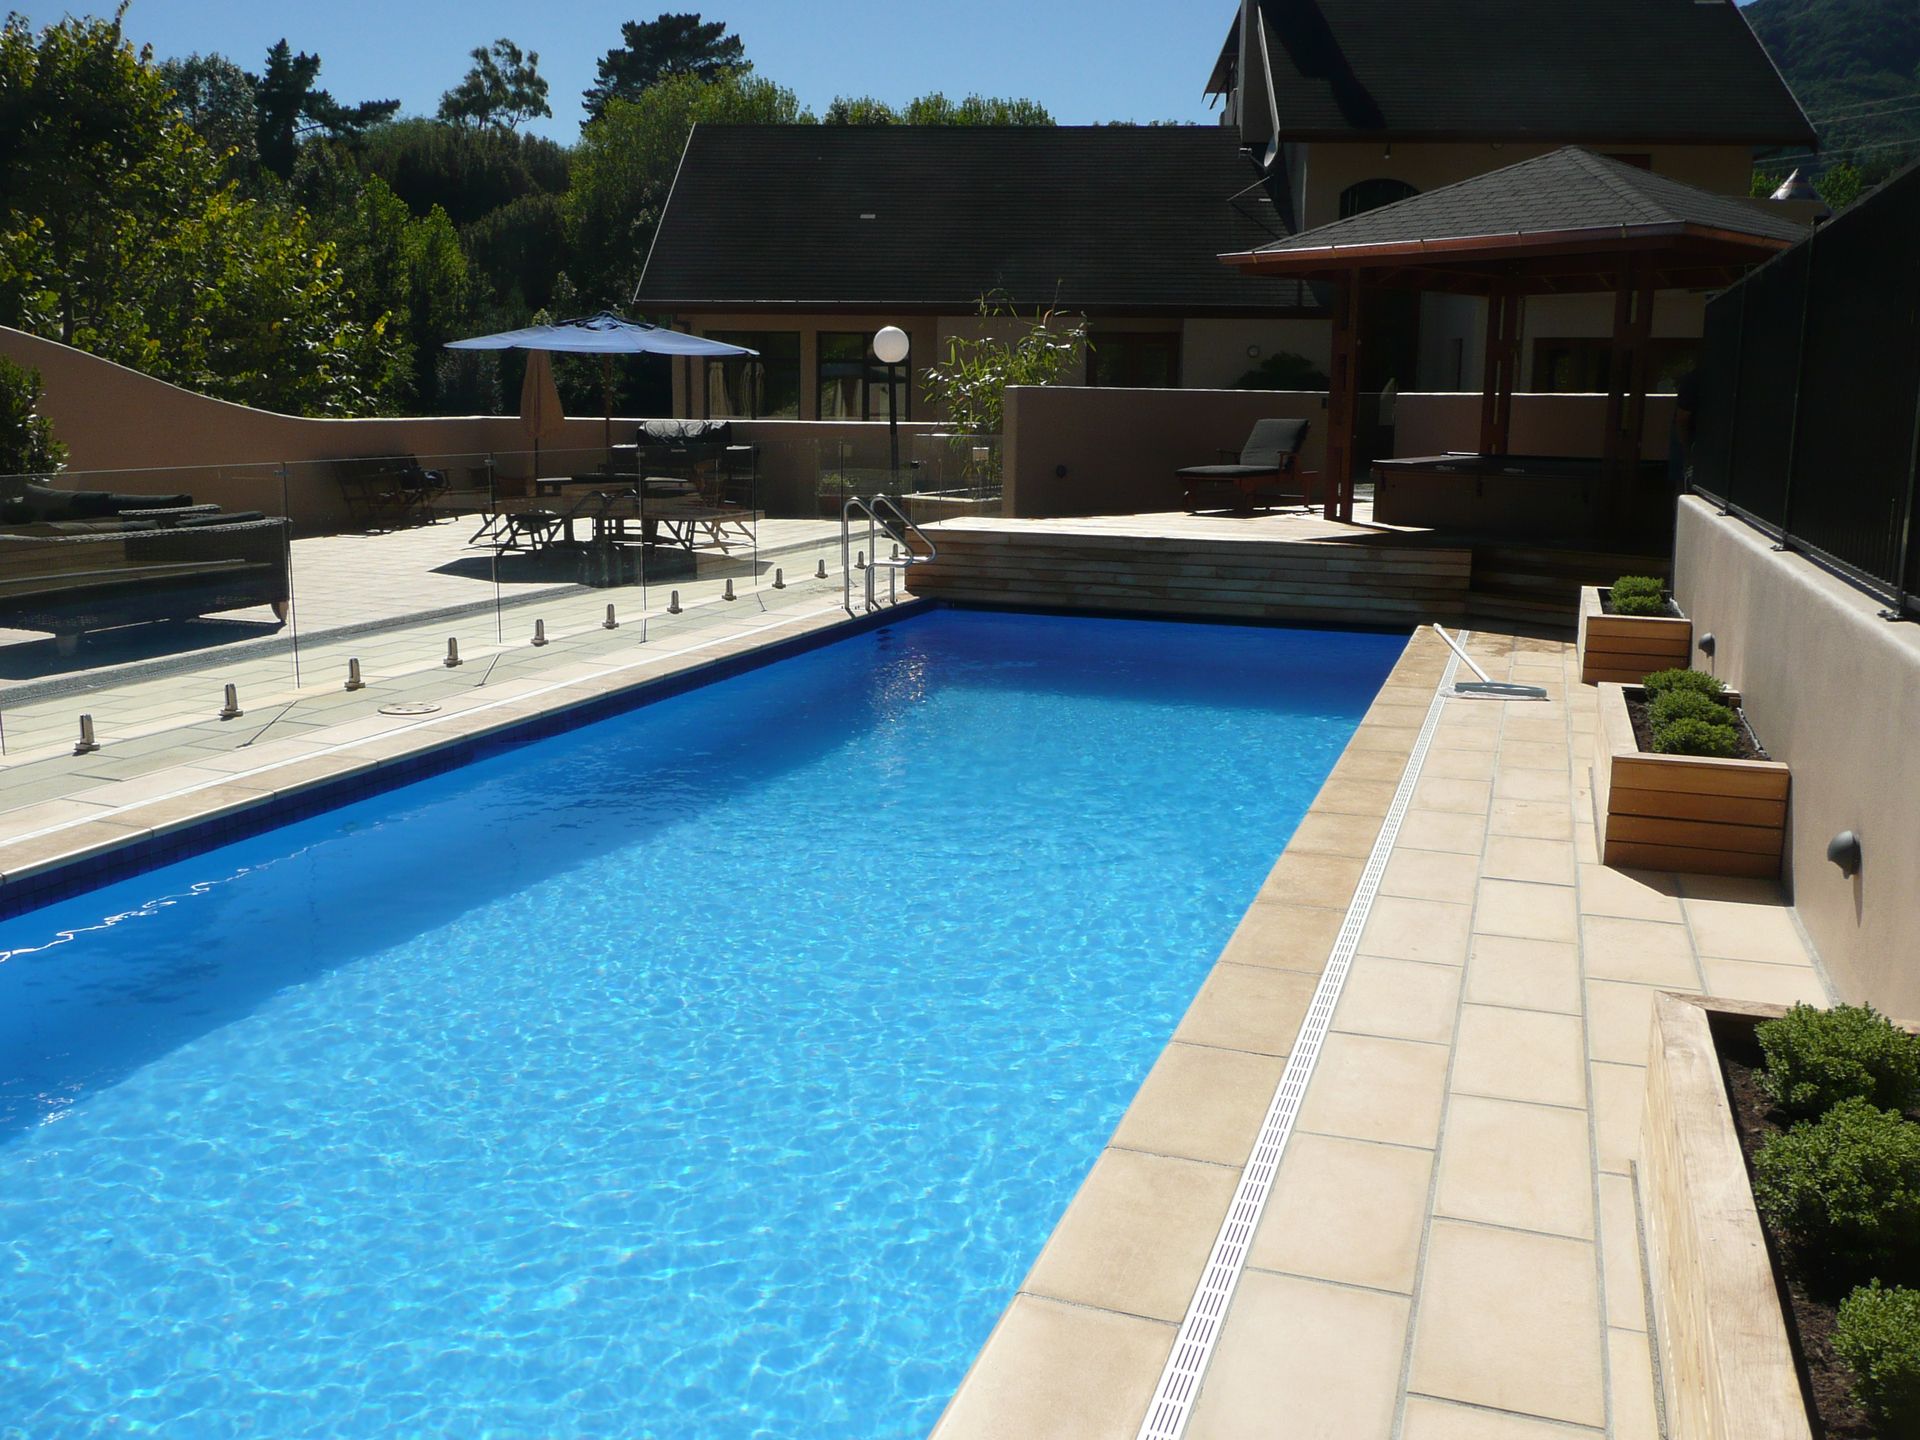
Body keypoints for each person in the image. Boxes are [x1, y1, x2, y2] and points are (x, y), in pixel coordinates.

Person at [1668, 367, 1700, 497]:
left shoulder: (1694, 379)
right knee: (1683, 485)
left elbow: (1682, 417)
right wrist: (1686, 448)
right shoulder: (1694, 380)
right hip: (1688, 442)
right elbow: (1682, 418)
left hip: (1690, 442)